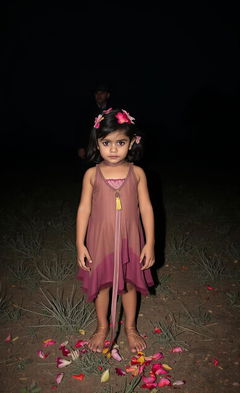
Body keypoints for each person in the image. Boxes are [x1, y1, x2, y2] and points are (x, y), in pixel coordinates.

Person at [76, 108, 155, 353]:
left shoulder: (137, 173)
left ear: (132, 143)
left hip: (130, 240)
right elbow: (83, 209)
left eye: (120, 142)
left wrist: (149, 243)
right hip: (101, 241)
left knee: (130, 284)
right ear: (97, 144)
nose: (113, 149)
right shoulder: (91, 174)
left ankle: (130, 328)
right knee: (102, 286)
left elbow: (147, 209)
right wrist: (80, 244)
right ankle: (102, 327)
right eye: (106, 142)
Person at [77, 84, 112, 173]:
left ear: (107, 95)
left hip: (108, 146)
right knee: (89, 170)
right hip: (90, 147)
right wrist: (81, 147)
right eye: (97, 93)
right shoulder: (86, 110)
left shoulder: (113, 110)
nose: (99, 95)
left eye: (102, 93)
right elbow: (80, 129)